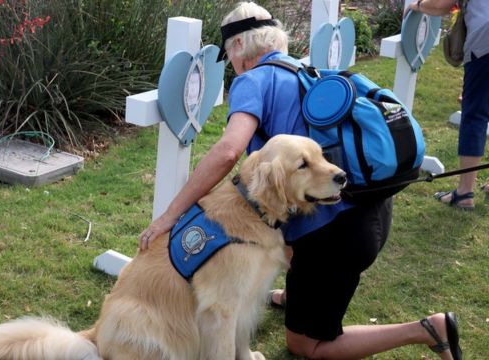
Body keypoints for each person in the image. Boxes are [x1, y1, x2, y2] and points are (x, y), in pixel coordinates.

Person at [138, 2, 462, 359]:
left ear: (240, 48)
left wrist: (170, 216)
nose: (232, 66)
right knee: (282, 235)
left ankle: (428, 330)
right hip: (370, 206)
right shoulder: (307, 70)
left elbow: (229, 151)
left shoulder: (252, 80)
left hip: (336, 235)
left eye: (229, 56)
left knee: (307, 345)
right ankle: (297, 295)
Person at [411, 0, 489, 210]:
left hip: (485, 44)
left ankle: (465, 193)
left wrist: (416, 5)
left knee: (475, 116)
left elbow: (441, 5)